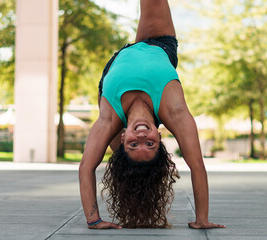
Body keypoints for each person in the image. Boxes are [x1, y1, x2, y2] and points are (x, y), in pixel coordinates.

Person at [79, 0, 225, 229]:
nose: (141, 137)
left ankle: (130, 168)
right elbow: (197, 165)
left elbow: (86, 167)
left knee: (111, 146)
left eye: (133, 145)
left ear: (125, 138)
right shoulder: (174, 110)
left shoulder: (110, 118)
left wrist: (93, 219)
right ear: (159, 138)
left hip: (112, 73)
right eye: (150, 144)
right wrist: (202, 219)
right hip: (157, 45)